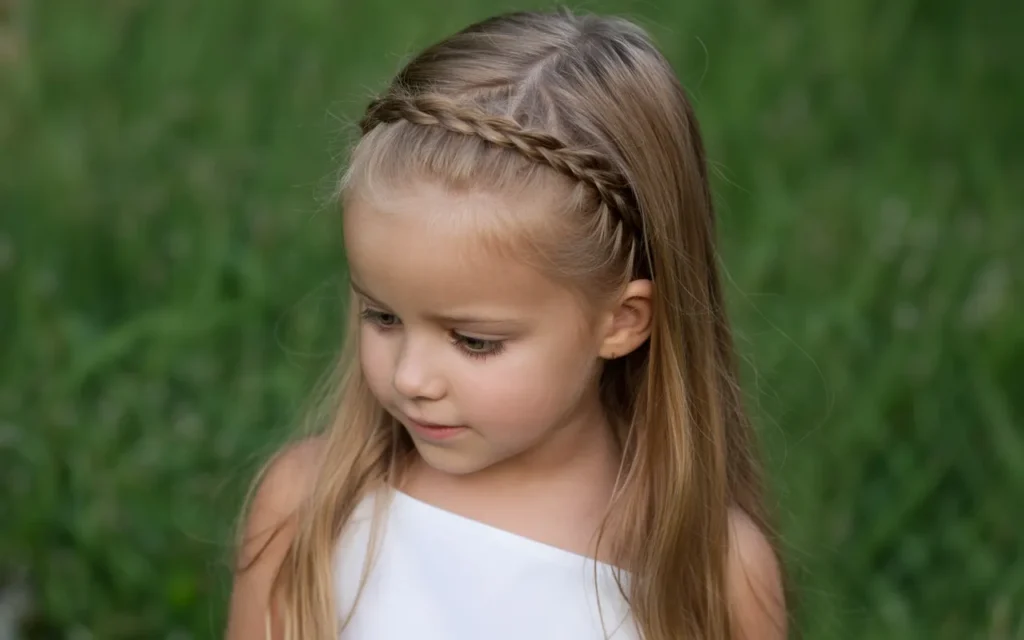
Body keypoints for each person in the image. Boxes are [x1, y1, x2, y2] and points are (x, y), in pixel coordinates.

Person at [226, 8, 787, 640]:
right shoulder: (310, 507)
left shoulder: (710, 574)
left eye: (474, 341)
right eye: (382, 316)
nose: (410, 378)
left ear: (622, 322)